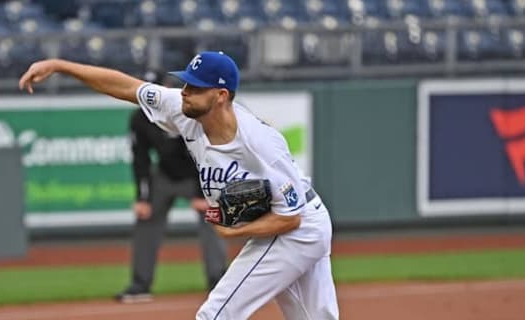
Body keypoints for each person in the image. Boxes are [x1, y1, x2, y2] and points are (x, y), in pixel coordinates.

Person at [19, 51, 339, 319]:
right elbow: (126, 86)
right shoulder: (180, 108)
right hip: (296, 222)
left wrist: (235, 231)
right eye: (186, 82)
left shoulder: (260, 143)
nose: (185, 90)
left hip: (298, 228)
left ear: (220, 96)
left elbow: (291, 218)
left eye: (196, 86)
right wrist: (61, 66)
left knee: (215, 314)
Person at [116, 72, 228, 304]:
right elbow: (141, 159)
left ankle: (219, 281)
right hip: (165, 175)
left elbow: (206, 152)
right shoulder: (139, 118)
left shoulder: (185, 111)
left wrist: (201, 192)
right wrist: (142, 197)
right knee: (146, 220)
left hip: (197, 174)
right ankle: (140, 284)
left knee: (213, 219)